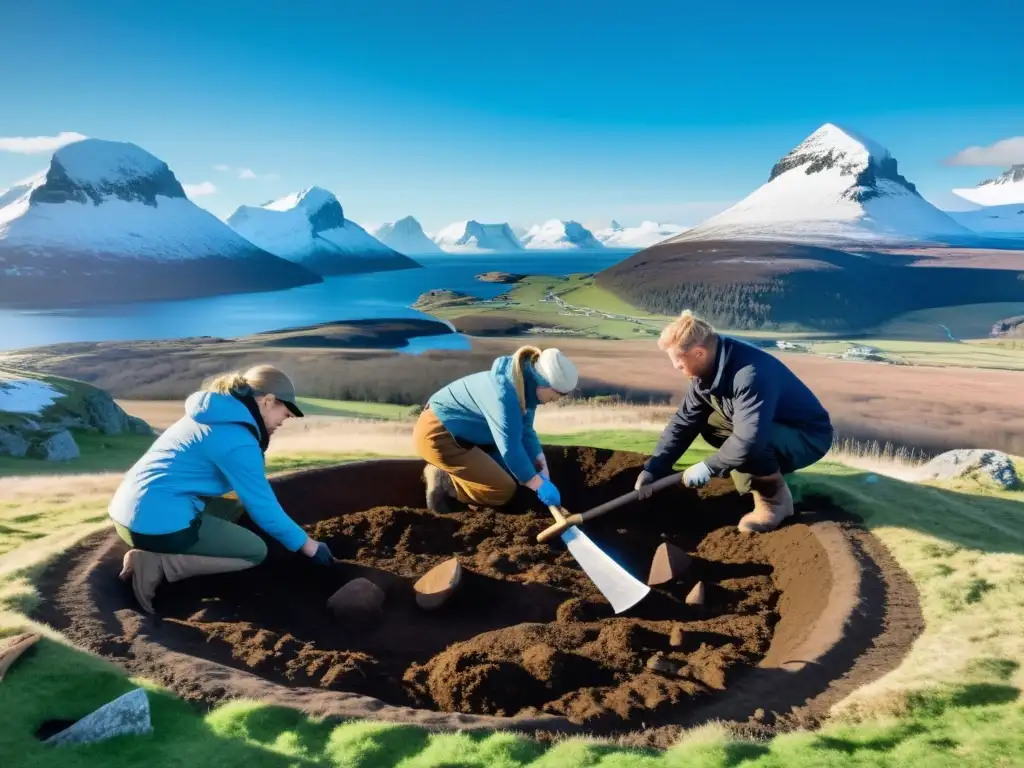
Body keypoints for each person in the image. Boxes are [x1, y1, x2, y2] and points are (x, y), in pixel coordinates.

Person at [109, 364, 334, 614]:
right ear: (269, 401)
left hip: (128, 513)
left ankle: (170, 549)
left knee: (237, 504)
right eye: (286, 412)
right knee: (255, 551)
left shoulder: (213, 413)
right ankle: (157, 564)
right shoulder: (237, 440)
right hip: (156, 527)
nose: (286, 419)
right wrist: (309, 546)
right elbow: (263, 508)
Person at [635, 310, 833, 533]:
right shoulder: (708, 370)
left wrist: (709, 466)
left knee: (747, 443)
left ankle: (775, 502)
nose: (676, 369)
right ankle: (763, 470)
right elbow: (684, 422)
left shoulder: (749, 373)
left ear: (698, 353)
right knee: (712, 425)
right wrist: (654, 469)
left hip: (807, 437)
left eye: (680, 364)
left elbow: (750, 439)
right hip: (770, 427)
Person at [413, 346, 578, 512]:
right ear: (543, 385)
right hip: (439, 436)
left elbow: (526, 430)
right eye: (557, 394)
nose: (556, 400)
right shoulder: (505, 395)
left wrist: (541, 466)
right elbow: (510, 448)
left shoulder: (524, 388)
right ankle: (446, 482)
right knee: (502, 490)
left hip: (468, 436)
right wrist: (538, 485)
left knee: (517, 469)